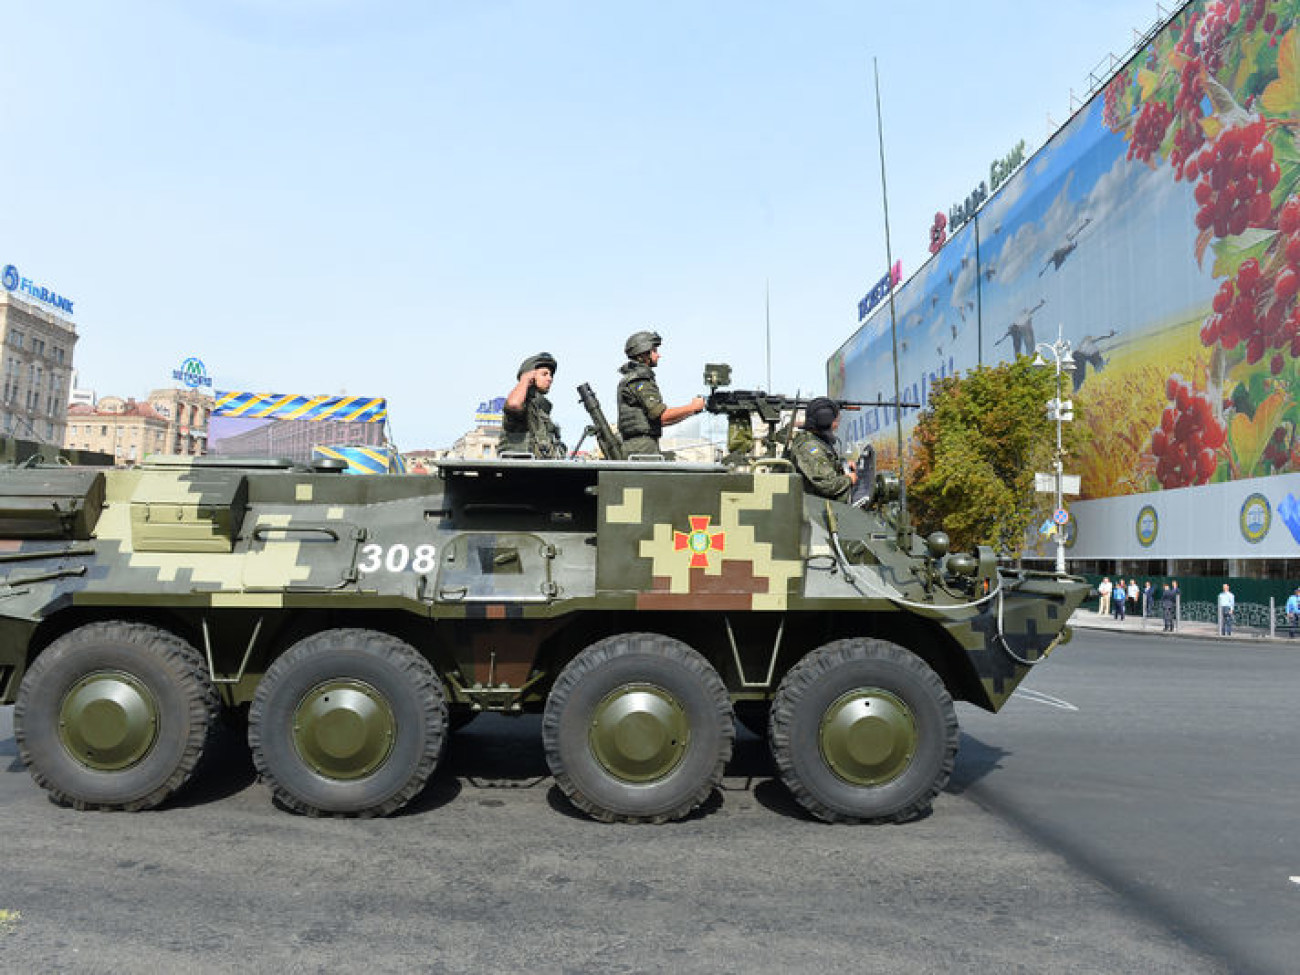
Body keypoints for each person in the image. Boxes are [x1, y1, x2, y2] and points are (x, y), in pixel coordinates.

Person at [617, 330, 706, 458]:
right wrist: (692, 407)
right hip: (642, 449)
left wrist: (692, 411)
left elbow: (659, 422)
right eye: (655, 351)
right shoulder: (640, 379)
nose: (658, 356)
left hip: (640, 446)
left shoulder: (634, 378)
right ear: (644, 353)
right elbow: (662, 417)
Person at [787, 397, 858, 503]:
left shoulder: (815, 439)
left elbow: (823, 463)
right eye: (836, 421)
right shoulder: (809, 447)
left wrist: (843, 465)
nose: (837, 425)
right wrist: (849, 479)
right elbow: (827, 484)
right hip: (816, 506)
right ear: (825, 421)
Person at [498, 352, 567, 459]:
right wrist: (525, 379)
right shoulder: (525, 405)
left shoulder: (540, 411)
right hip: (519, 470)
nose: (550, 379)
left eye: (551, 375)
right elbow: (514, 404)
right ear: (531, 376)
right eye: (544, 374)